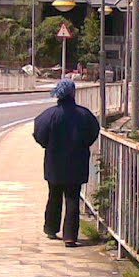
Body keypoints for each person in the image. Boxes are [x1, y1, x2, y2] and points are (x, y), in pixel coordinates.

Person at [33, 79, 100, 247]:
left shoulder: (49, 115)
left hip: (54, 162)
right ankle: (70, 236)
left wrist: (48, 145)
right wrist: (82, 144)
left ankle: (51, 228)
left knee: (54, 195)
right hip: (77, 162)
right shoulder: (84, 114)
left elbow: (39, 134)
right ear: (73, 93)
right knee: (72, 198)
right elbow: (93, 132)